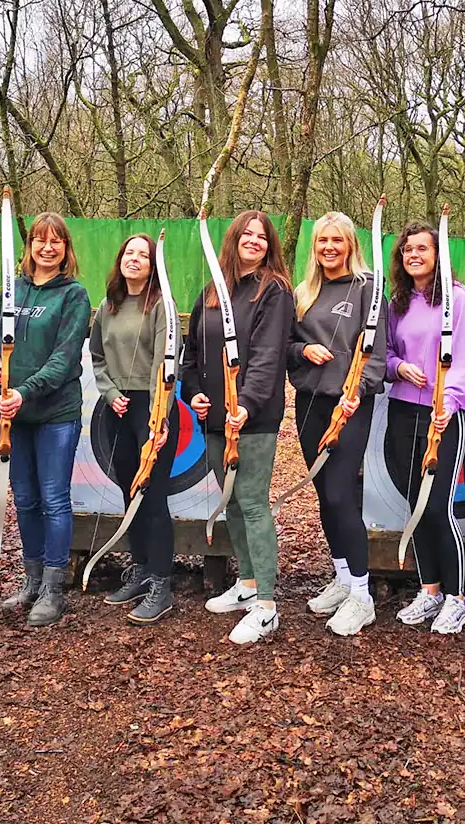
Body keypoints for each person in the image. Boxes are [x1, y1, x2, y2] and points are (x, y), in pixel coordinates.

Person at [181, 210, 294, 645]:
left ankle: (266, 604)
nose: (254, 241)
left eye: (262, 236)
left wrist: (245, 403)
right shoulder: (213, 290)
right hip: (212, 417)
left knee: (251, 501)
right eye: (247, 234)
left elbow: (268, 357)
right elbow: (191, 354)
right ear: (233, 239)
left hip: (253, 419)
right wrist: (193, 393)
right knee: (230, 501)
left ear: (270, 245)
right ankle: (247, 582)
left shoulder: (275, 291)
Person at [0, 212, 90, 627]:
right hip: (13, 413)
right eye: (39, 241)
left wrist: (23, 392)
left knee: (53, 499)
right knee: (25, 498)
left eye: (56, 242)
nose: (47, 248)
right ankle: (30, 581)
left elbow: (64, 360)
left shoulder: (74, 295)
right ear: (28, 246)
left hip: (54, 412)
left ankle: (52, 588)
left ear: (66, 250)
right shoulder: (13, 292)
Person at [286, 212, 386, 636]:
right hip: (310, 402)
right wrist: (304, 351)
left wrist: (356, 391)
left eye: (337, 241)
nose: (329, 248)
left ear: (350, 245)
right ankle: (344, 578)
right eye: (322, 241)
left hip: (349, 405)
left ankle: (362, 596)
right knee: (325, 495)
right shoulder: (304, 291)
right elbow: (286, 344)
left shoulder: (367, 289)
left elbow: (376, 353)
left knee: (343, 494)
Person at [385, 222, 465, 635]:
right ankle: (431, 590)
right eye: (407, 250)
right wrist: (398, 367)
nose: (414, 255)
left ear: (439, 255)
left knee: (438, 507)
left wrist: (449, 403)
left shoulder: (457, 299)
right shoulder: (397, 302)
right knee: (416, 507)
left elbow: (460, 360)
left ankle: (458, 598)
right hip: (403, 411)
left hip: (443, 417)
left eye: (423, 248)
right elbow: (384, 353)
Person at [89, 233, 179, 624]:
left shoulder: (161, 304)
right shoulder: (108, 306)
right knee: (131, 491)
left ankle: (162, 582)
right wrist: (109, 393)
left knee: (153, 496)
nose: (135, 259)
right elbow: (96, 356)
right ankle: (141, 570)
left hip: (152, 406)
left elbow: (165, 363)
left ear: (153, 265)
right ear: (120, 259)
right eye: (130, 253)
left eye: (144, 255)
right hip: (118, 408)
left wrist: (159, 415)